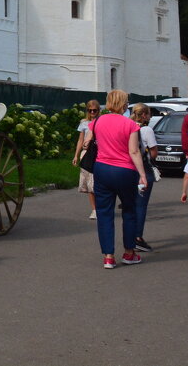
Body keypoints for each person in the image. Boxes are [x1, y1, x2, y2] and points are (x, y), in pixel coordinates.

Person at [84, 89, 147, 268]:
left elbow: (88, 143)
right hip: (125, 171)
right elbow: (134, 151)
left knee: (104, 212)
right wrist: (142, 174)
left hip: (102, 169)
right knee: (129, 210)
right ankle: (129, 252)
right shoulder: (130, 125)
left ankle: (108, 256)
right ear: (123, 103)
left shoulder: (96, 122)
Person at [130, 103, 157, 252]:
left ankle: (129, 235)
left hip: (128, 168)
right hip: (144, 169)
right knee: (141, 205)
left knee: (131, 204)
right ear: (145, 115)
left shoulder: (128, 126)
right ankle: (137, 237)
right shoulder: (146, 130)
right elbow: (153, 152)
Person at [72, 99, 100, 220]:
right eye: (90, 110)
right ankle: (94, 209)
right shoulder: (84, 123)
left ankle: (102, 207)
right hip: (87, 154)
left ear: (99, 110)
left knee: (98, 183)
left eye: (95, 110)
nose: (92, 112)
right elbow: (80, 140)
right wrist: (76, 155)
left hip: (99, 154)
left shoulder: (101, 121)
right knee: (90, 185)